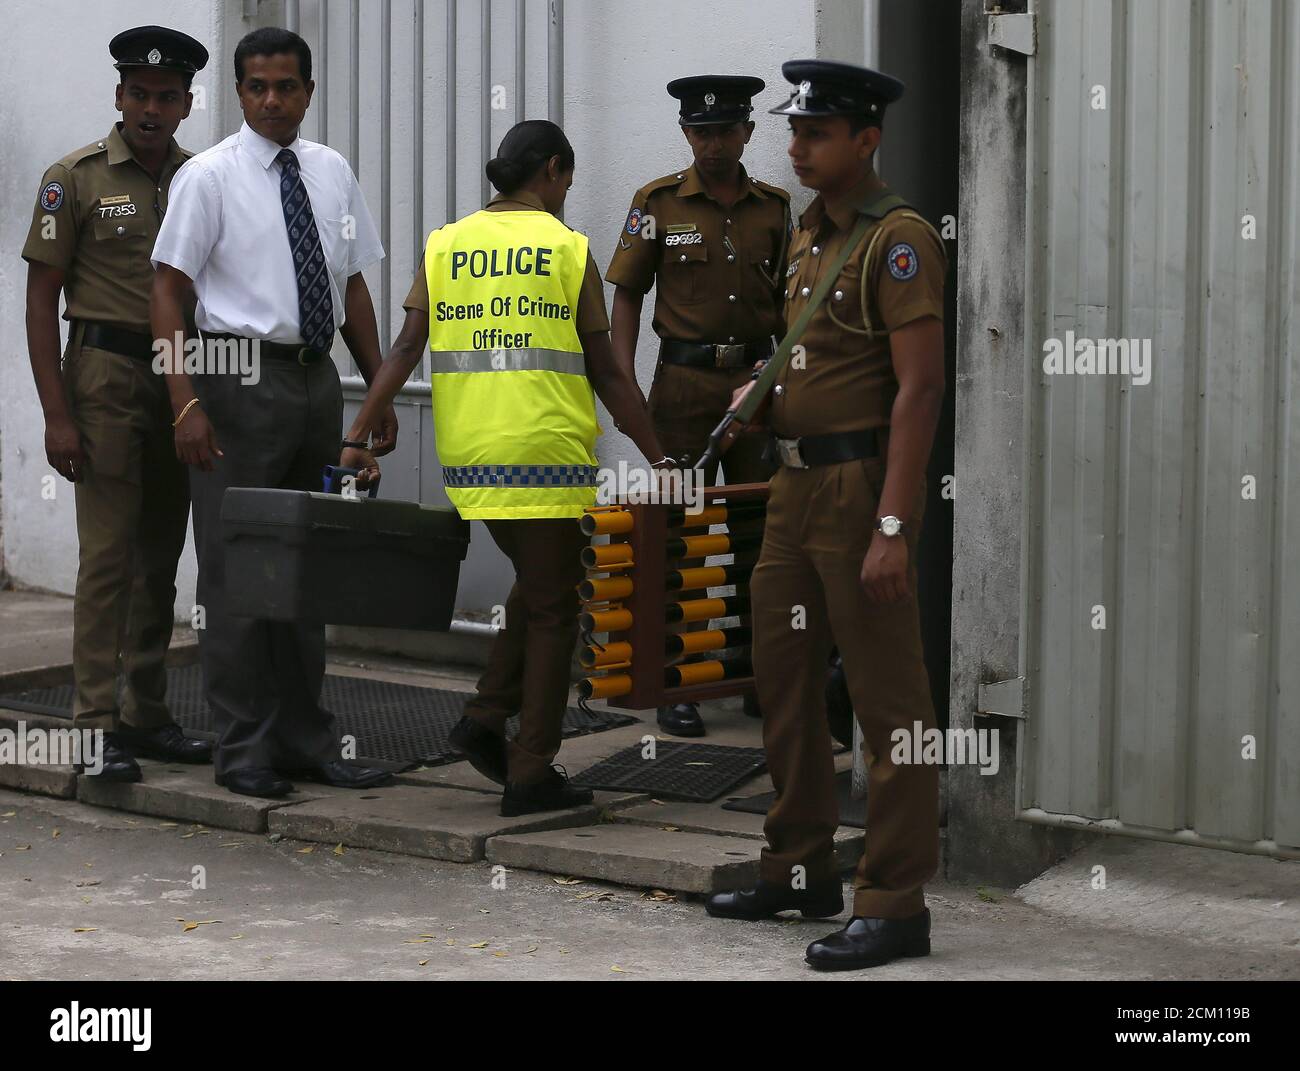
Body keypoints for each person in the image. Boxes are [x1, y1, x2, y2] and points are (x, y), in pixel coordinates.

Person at [345, 120, 670, 816]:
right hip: (544, 455)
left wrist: (358, 430)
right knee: (557, 608)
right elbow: (609, 373)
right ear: (552, 171)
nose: (565, 197)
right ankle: (530, 770)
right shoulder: (566, 247)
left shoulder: (446, 243)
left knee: (537, 586)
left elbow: (404, 347)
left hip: (471, 458)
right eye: (566, 183)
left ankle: (484, 717)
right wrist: (661, 456)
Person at [704, 60, 948, 972]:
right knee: (784, 682)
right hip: (793, 488)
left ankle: (894, 900)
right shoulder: (806, 236)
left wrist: (894, 525)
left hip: (858, 494)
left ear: (866, 140)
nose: (795, 147)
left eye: (815, 134)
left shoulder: (898, 240)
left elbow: (920, 391)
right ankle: (798, 865)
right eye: (794, 131)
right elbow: (819, 359)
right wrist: (765, 397)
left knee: (890, 705)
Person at [149, 27, 396, 799]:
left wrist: (377, 387)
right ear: (239, 91)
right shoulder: (210, 177)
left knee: (307, 566)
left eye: (286, 87)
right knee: (238, 572)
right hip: (233, 382)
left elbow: (351, 283)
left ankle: (305, 738)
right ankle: (243, 747)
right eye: (257, 87)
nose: (272, 100)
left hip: (313, 378)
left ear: (309, 92)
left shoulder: (329, 171)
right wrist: (184, 398)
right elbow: (166, 288)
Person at [22, 25, 214, 781]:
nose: (150, 108)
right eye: (138, 93)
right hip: (101, 374)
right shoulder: (74, 177)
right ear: (118, 96)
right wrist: (56, 412)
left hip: (178, 379)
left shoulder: (202, 179)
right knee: (107, 556)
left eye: (166, 96)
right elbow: (41, 302)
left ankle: (145, 713)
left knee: (161, 557)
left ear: (186, 104)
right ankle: (92, 725)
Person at [606, 75, 788, 737]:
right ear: (686, 134)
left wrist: (776, 371)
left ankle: (751, 672)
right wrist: (622, 379)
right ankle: (679, 678)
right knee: (679, 532)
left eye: (725, 130)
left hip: (754, 385)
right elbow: (627, 292)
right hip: (682, 388)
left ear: (747, 132)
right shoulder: (655, 202)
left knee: (755, 530)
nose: (712, 143)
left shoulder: (775, 208)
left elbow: (791, 301)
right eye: (700, 131)